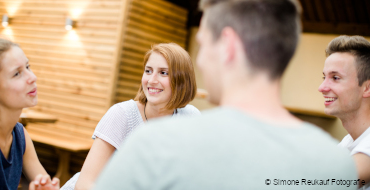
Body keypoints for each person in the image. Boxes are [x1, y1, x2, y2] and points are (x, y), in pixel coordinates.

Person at [92, 0, 358, 189]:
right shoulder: (336, 166)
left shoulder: (156, 145)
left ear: (228, 46)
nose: (202, 61)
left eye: (203, 46)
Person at [59, 43, 200, 190]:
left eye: (163, 73)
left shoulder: (190, 117)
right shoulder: (122, 114)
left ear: (182, 80)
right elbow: (84, 184)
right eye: (148, 71)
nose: (152, 80)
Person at [0, 36, 59, 189]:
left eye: (28, 67)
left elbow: (43, 183)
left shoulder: (20, 135)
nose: (33, 77)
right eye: (17, 74)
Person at [318, 35, 370, 189]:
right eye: (324, 77)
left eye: (335, 77)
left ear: (367, 88)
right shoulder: (348, 143)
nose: (322, 88)